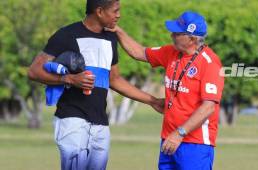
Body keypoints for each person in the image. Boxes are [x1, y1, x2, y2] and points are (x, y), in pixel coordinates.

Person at [27, 0, 164, 169]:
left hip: (100, 122)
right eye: (115, 11)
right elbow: (34, 71)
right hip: (72, 119)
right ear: (99, 11)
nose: (119, 15)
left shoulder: (110, 38)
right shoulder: (66, 34)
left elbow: (114, 80)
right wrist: (69, 79)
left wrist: (152, 101)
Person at [110, 11, 224, 170]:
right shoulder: (171, 52)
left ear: (192, 38)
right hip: (169, 139)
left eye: (177, 33)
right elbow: (139, 52)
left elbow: (208, 107)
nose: (172, 35)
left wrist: (179, 134)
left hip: (194, 144)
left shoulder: (210, 63)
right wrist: (116, 30)